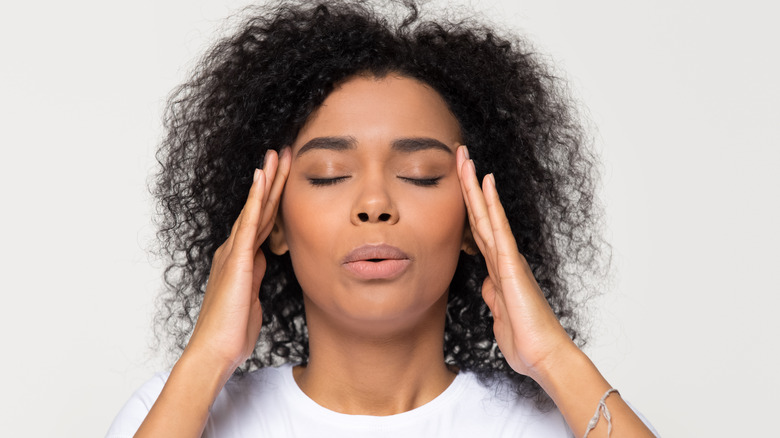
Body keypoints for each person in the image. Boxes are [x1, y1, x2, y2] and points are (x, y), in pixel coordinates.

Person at [107, 1, 658, 436]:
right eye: (327, 174)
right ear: (270, 221)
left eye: (420, 174)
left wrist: (553, 358)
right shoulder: (180, 411)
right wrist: (208, 357)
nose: (375, 204)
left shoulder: (560, 420)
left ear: (475, 220)